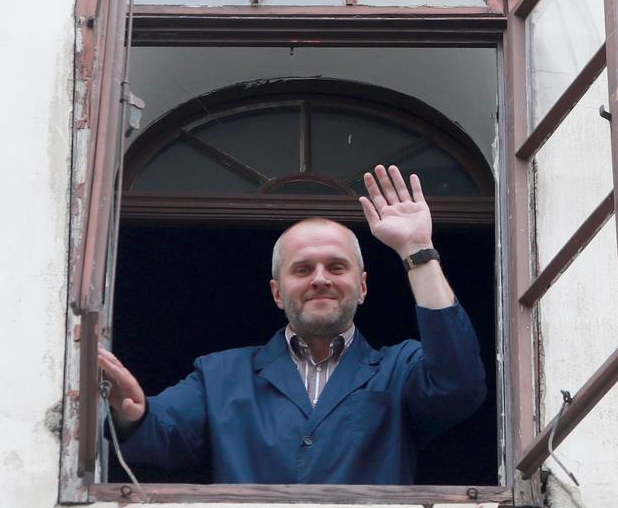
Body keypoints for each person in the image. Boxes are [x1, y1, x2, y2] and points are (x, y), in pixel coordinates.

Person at [95, 164, 485, 484]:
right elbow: (162, 435)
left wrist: (417, 249)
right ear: (278, 292)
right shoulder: (220, 375)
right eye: (302, 269)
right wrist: (134, 413)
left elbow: (459, 384)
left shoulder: (399, 369)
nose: (320, 278)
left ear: (362, 287)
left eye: (336, 266)